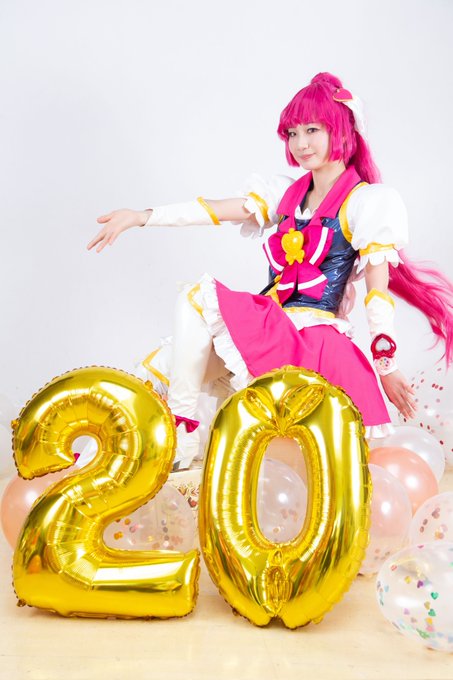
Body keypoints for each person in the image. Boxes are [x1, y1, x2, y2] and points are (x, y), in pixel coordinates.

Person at [87, 72, 453, 470]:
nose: (301, 143)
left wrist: (386, 365)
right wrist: (141, 216)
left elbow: (377, 295)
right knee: (162, 365)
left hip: (312, 338)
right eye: (293, 133)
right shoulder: (285, 193)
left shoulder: (368, 202)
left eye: (312, 130)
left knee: (195, 298)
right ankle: (100, 457)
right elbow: (214, 210)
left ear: (343, 129)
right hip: (272, 326)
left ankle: (184, 432)